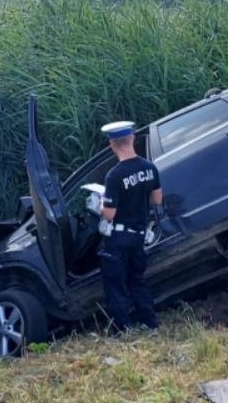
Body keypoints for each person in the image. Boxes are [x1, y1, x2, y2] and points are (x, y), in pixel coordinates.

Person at [98, 120, 161, 334]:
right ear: (132, 139)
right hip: (139, 236)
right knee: (137, 280)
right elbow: (157, 199)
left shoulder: (114, 176)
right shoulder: (149, 168)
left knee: (115, 283)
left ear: (112, 145)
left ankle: (121, 328)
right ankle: (149, 323)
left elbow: (109, 213)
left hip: (118, 237)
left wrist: (100, 203)